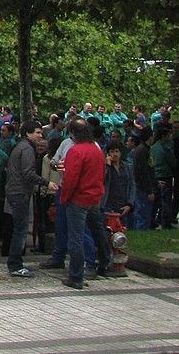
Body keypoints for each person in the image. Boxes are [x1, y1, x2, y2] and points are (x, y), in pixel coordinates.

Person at [59, 120, 113, 289]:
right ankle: (105, 261)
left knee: (76, 238)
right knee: (98, 232)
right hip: (94, 197)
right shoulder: (97, 150)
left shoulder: (76, 151)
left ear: (74, 133)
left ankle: (76, 276)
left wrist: (65, 198)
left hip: (79, 199)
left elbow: (71, 179)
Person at [3, 120, 57, 278]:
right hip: (20, 192)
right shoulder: (27, 149)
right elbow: (28, 173)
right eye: (37, 132)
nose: (40, 135)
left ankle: (15, 262)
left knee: (18, 228)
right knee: (20, 230)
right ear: (28, 133)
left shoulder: (20, 146)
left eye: (41, 132)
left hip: (15, 191)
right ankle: (15, 264)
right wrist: (47, 182)